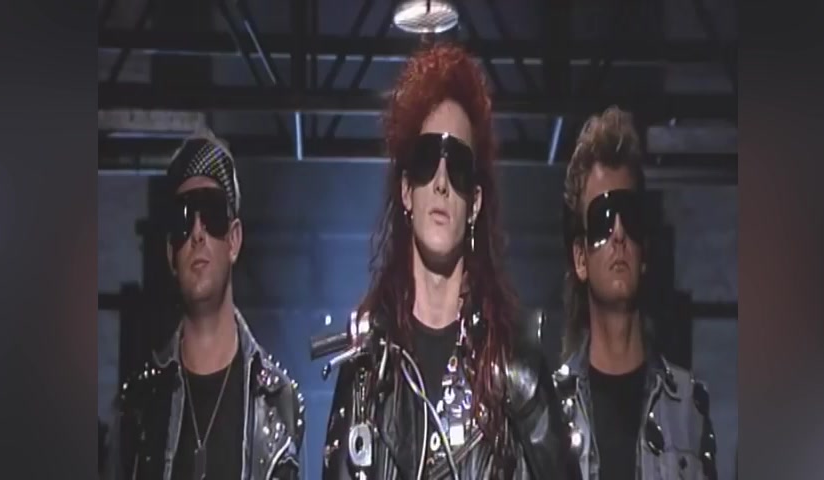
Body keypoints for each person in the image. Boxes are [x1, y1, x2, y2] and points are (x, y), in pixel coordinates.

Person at [318, 43, 575, 479]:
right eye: (426, 161)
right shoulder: (366, 369)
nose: (440, 182)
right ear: (406, 191)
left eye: (457, 166)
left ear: (475, 202)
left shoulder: (515, 368)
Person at [104, 129, 305, 480]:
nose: (197, 232)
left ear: (234, 240)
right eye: (183, 219)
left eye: (211, 213)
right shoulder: (138, 408)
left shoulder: (278, 402)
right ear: (171, 252)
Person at [553, 106, 718, 479]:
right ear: (580, 258)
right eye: (602, 220)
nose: (618, 234)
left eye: (629, 216)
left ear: (645, 251)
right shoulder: (551, 413)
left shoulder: (688, 408)